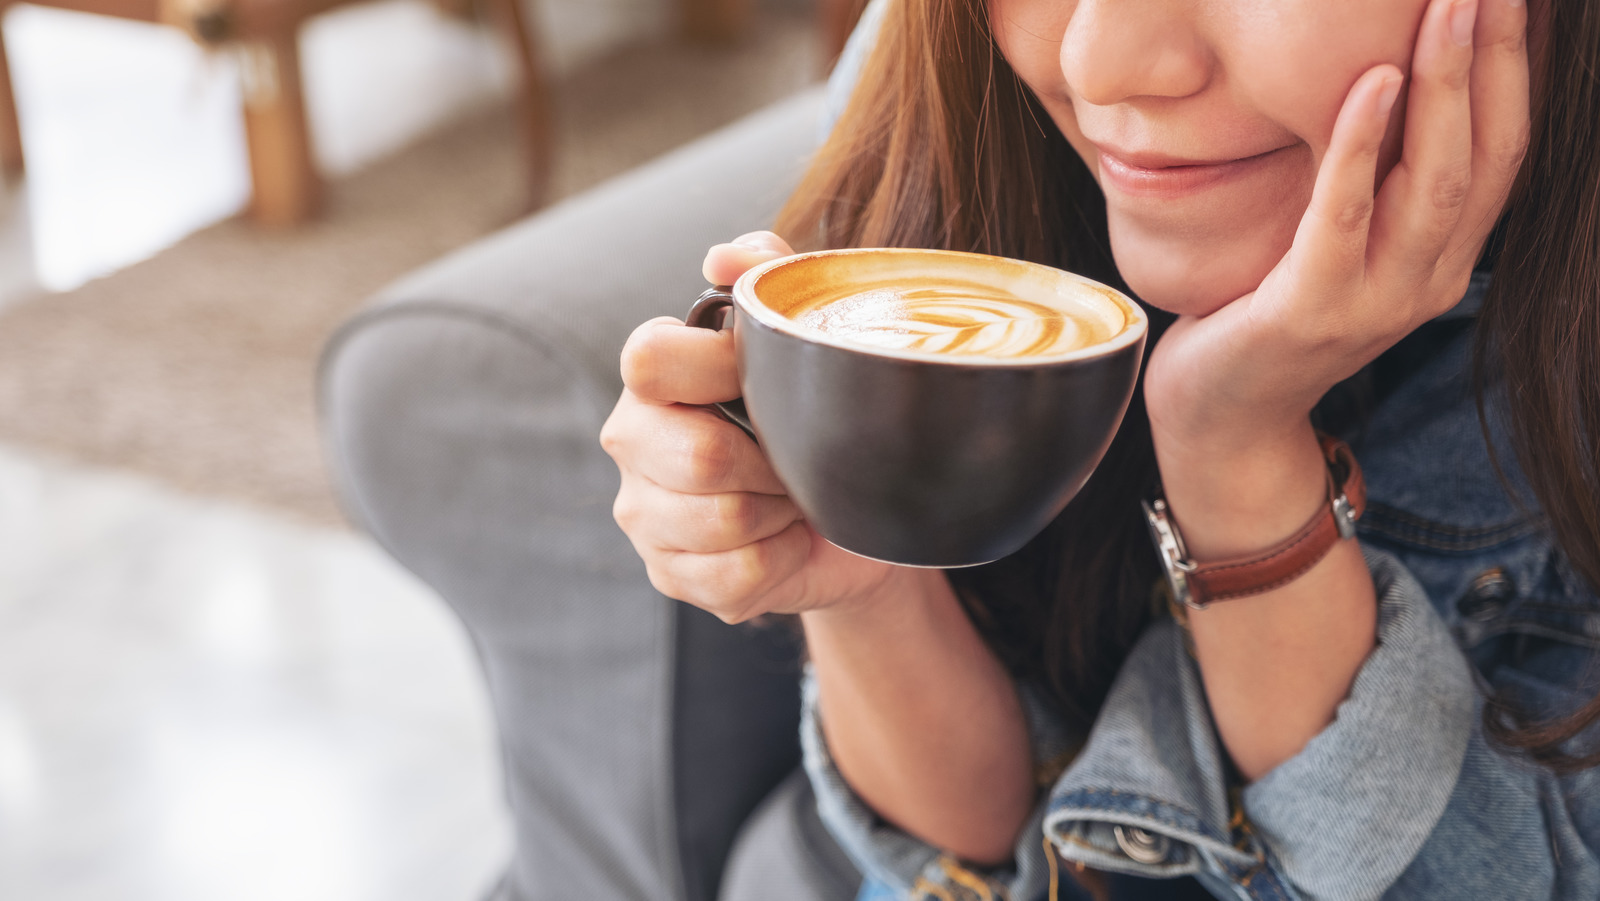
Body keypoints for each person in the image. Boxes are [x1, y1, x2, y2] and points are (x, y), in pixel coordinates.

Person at [600, 0, 1600, 896]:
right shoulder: (946, 66)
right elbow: (972, 854)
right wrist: (868, 580)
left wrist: (1234, 449)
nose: (1098, 61)